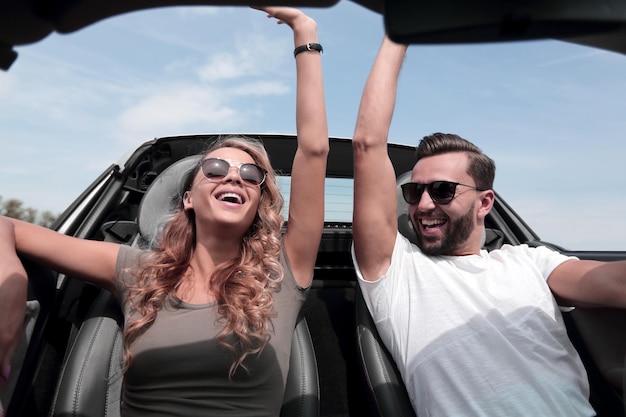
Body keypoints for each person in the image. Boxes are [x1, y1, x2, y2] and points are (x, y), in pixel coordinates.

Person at [0, 6, 328, 416]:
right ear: (188, 198)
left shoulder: (283, 270)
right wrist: (10, 282)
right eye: (215, 168)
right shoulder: (138, 270)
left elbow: (314, 151)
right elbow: (5, 227)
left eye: (250, 174)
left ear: (259, 201)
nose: (234, 178)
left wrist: (305, 31)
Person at [351, 35, 626, 417]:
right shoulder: (398, 271)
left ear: (484, 203)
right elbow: (367, 143)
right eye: (414, 192)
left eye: (443, 191)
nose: (424, 204)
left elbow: (614, 283)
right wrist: (399, 34)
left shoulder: (532, 262)